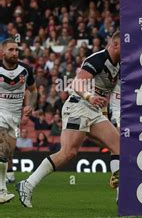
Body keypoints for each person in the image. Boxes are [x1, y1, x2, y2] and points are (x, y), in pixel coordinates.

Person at [16, 31, 121, 208]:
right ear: (115, 45)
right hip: (78, 106)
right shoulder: (98, 59)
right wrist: (90, 97)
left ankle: (121, 196)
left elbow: (106, 93)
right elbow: (76, 84)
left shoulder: (119, 65)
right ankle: (27, 184)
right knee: (68, 153)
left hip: (95, 111)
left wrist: (105, 112)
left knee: (118, 144)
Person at [0, 38, 35, 203]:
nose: (15, 53)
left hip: (15, 117)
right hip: (0, 112)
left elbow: (32, 90)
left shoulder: (26, 70)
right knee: (1, 150)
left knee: (7, 153)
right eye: (11, 50)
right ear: (3, 53)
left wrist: (30, 105)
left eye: (17, 50)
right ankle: (2, 191)